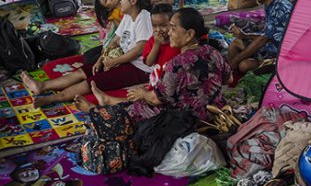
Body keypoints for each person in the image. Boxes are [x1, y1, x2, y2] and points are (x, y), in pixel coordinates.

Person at [76, 7, 232, 126]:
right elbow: (229, 79)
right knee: (147, 97)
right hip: (215, 113)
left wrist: (143, 93)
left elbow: (156, 99)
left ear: (190, 34)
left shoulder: (176, 63)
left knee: (141, 108)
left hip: (188, 120)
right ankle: (109, 100)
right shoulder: (213, 52)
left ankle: (95, 111)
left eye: (173, 28)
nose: (169, 33)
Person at [21, 0, 154, 107]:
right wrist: (101, 59)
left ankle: (51, 99)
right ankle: (42, 86)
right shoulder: (128, 16)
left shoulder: (143, 17)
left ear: (133, 1)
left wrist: (114, 62)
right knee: (85, 70)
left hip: (139, 68)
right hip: (123, 58)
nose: (121, 0)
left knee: (92, 81)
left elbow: (139, 50)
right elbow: (114, 41)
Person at [227, 0, 292, 74]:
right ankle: (231, 76)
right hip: (272, 45)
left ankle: (232, 72)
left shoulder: (280, 8)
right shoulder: (272, 2)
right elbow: (267, 34)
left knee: (244, 65)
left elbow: (262, 40)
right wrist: (244, 36)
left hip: (282, 55)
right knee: (235, 43)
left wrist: (235, 60)